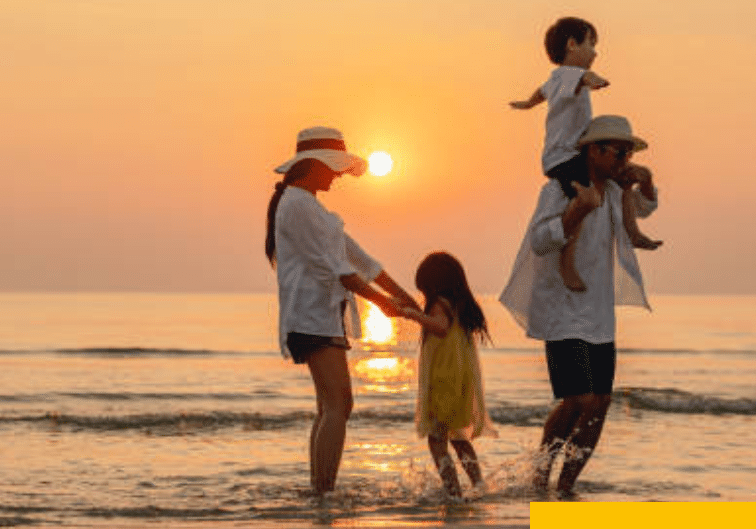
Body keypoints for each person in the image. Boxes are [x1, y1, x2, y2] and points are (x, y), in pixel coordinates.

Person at [498, 115, 659, 496]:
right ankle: (541, 475)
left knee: (600, 402)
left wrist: (647, 179)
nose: (625, 159)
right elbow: (540, 241)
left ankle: (566, 485)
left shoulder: (617, 192)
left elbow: (645, 207)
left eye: (629, 152)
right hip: (563, 311)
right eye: (619, 151)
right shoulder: (560, 190)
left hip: (600, 316)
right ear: (594, 150)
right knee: (577, 399)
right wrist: (577, 211)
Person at [266, 126, 420, 495]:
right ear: (313, 164)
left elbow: (359, 258)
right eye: (333, 167)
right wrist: (385, 305)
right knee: (339, 405)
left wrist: (405, 296)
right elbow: (339, 270)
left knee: (330, 407)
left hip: (321, 315)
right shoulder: (298, 205)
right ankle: (323, 492)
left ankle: (320, 489)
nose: (338, 175)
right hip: (311, 316)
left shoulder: (309, 206)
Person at [508, 17, 662, 292]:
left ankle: (633, 232)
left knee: (623, 183)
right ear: (571, 44)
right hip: (564, 157)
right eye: (591, 43)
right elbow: (585, 78)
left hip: (567, 155)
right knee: (583, 200)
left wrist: (527, 104)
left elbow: (540, 93)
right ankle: (567, 263)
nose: (595, 52)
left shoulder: (554, 80)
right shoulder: (570, 75)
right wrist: (596, 80)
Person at [403, 252, 498, 498]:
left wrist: (413, 315)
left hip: (443, 380)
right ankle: (478, 485)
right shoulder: (461, 305)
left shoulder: (440, 304)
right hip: (459, 381)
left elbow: (441, 328)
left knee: (436, 439)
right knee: (458, 438)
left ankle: (453, 491)